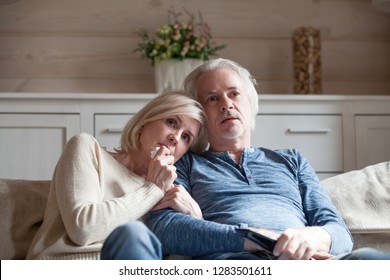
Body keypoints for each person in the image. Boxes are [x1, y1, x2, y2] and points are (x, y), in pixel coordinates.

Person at [146, 58, 390, 260]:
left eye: (234, 94)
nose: (226, 104)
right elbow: (167, 228)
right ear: (199, 116)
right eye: (212, 98)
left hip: (309, 263)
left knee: (372, 259)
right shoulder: (187, 163)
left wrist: (309, 238)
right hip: (239, 263)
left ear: (250, 104)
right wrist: (256, 238)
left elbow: (339, 233)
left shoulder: (291, 161)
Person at [26, 90, 208, 260]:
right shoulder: (88, 149)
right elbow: (83, 228)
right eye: (171, 122)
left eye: (186, 137)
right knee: (133, 234)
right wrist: (153, 190)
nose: (175, 137)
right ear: (145, 121)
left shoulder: (171, 195)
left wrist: (196, 220)